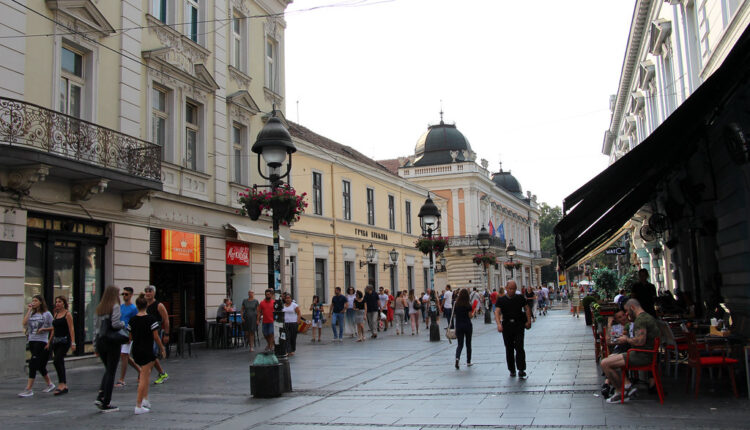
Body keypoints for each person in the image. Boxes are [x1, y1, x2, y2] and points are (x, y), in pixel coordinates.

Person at [600, 298, 660, 403]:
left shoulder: (641, 320)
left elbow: (640, 342)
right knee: (611, 359)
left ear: (633, 307)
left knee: (605, 363)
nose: (627, 313)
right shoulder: (647, 317)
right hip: (643, 354)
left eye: (627, 310)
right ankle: (625, 387)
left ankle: (620, 391)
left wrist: (626, 339)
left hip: (642, 355)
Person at [128, 293, 166, 414]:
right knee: (144, 377)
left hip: (136, 349)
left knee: (147, 373)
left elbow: (130, 337)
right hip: (147, 350)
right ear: (146, 306)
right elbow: (156, 337)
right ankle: (138, 405)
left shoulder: (132, 320)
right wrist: (162, 348)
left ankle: (145, 399)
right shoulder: (151, 319)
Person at [94, 285, 125, 412]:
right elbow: (115, 324)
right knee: (111, 371)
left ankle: (101, 395)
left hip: (101, 341)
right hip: (112, 342)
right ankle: (106, 401)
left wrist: (95, 345)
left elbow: (96, 329)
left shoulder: (100, 308)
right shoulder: (115, 306)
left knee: (108, 370)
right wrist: (124, 324)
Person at [19, 295, 55, 397]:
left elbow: (54, 327)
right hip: (32, 340)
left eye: (35, 300)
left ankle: (29, 389)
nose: (33, 302)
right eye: (32, 300)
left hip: (42, 341)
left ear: (40, 302)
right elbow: (24, 323)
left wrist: (47, 337)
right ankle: (50, 384)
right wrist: (29, 310)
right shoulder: (32, 313)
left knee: (33, 364)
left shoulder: (47, 314)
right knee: (40, 365)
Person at [494, 281, 532, 379]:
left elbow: (527, 308)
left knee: (519, 347)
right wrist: (498, 324)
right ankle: (511, 369)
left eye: (513, 289)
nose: (511, 291)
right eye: (510, 288)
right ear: (506, 288)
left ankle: (521, 368)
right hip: (507, 325)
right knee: (509, 348)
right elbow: (497, 312)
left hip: (518, 324)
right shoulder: (501, 300)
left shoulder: (520, 298)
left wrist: (529, 321)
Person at [50, 295, 75, 395]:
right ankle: (63, 384)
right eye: (56, 302)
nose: (57, 303)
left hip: (65, 341)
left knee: (57, 360)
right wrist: (49, 341)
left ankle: (62, 383)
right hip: (56, 341)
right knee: (59, 362)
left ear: (64, 303)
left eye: (60, 302)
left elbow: (71, 328)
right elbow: (53, 329)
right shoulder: (55, 314)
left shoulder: (67, 314)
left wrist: (73, 342)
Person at [144, 285, 169, 384]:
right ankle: (162, 373)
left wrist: (166, 334)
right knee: (151, 355)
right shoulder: (144, 305)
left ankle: (147, 373)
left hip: (155, 332)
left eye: (150, 291)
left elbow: (166, 320)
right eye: (146, 291)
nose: (148, 293)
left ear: (154, 293)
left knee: (152, 353)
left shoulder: (159, 305)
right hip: (146, 332)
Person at [116, 287, 140, 388]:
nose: (124, 296)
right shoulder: (121, 307)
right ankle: (140, 370)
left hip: (127, 333)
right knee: (125, 356)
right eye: (123, 294)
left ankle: (122, 379)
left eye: (126, 294)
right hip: (120, 333)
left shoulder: (133, 308)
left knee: (124, 355)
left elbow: (135, 322)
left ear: (131, 295)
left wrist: (132, 335)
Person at [453, 289, 475, 368]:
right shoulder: (468, 305)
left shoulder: (456, 304)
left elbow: (455, 316)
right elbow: (470, 316)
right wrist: (473, 312)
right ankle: (468, 361)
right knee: (468, 344)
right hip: (467, 325)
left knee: (460, 344)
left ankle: (457, 358)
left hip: (459, 326)